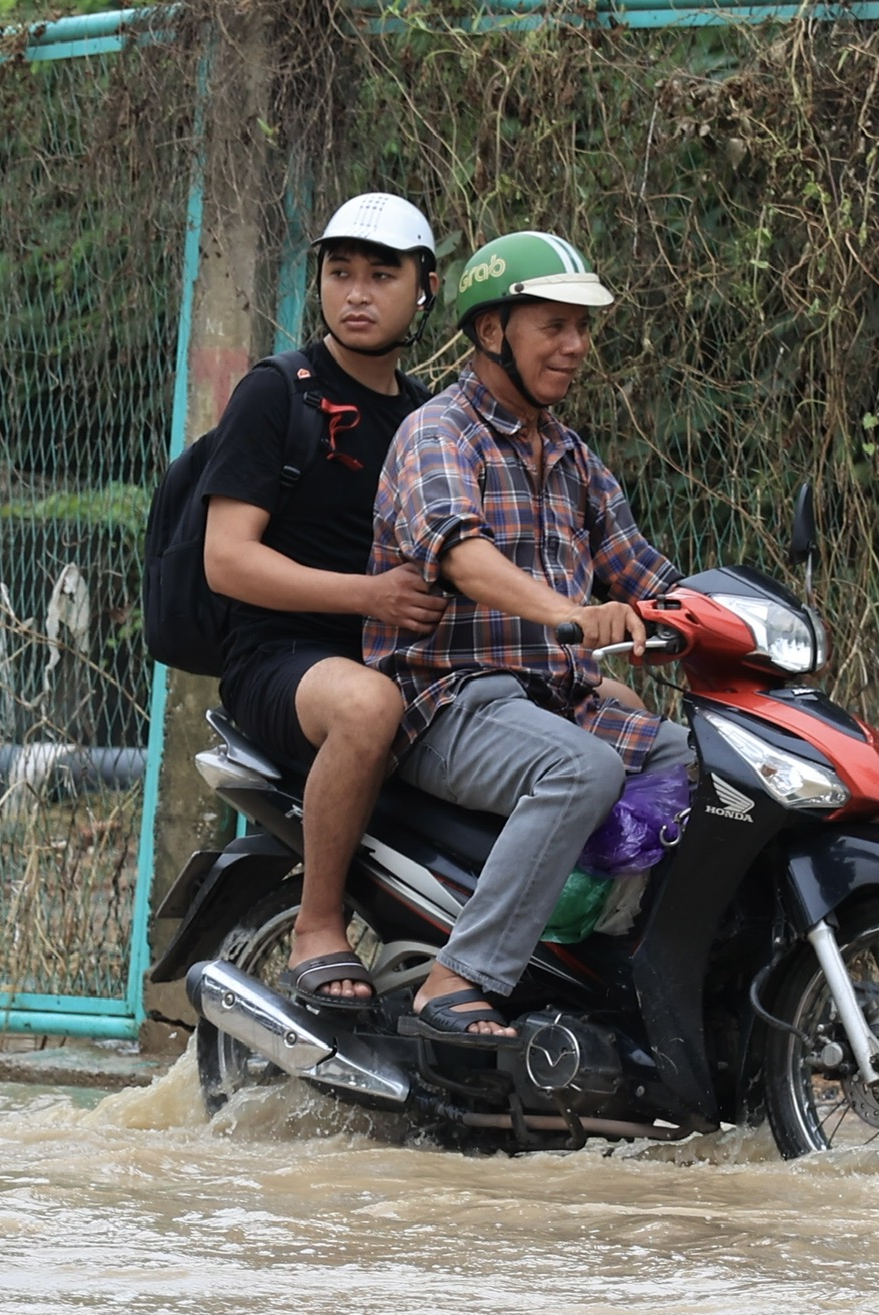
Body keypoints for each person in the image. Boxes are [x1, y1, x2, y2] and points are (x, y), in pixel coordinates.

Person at [364, 229, 695, 1041]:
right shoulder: (439, 434)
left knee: (702, 764)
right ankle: (457, 977)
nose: (576, 346)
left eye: (583, 328)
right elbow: (461, 554)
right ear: (491, 331)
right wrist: (567, 613)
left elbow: (643, 570)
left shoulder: (574, 459)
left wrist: (724, 621)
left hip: (555, 697)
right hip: (449, 703)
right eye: (554, 325)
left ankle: (610, 962)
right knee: (577, 767)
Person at [199, 192, 450, 1008]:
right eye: (340, 272)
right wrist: (371, 595)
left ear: (426, 289)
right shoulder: (279, 393)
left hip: (398, 654)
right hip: (282, 659)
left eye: (382, 274)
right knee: (369, 706)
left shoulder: (428, 417)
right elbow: (228, 561)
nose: (357, 292)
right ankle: (317, 921)